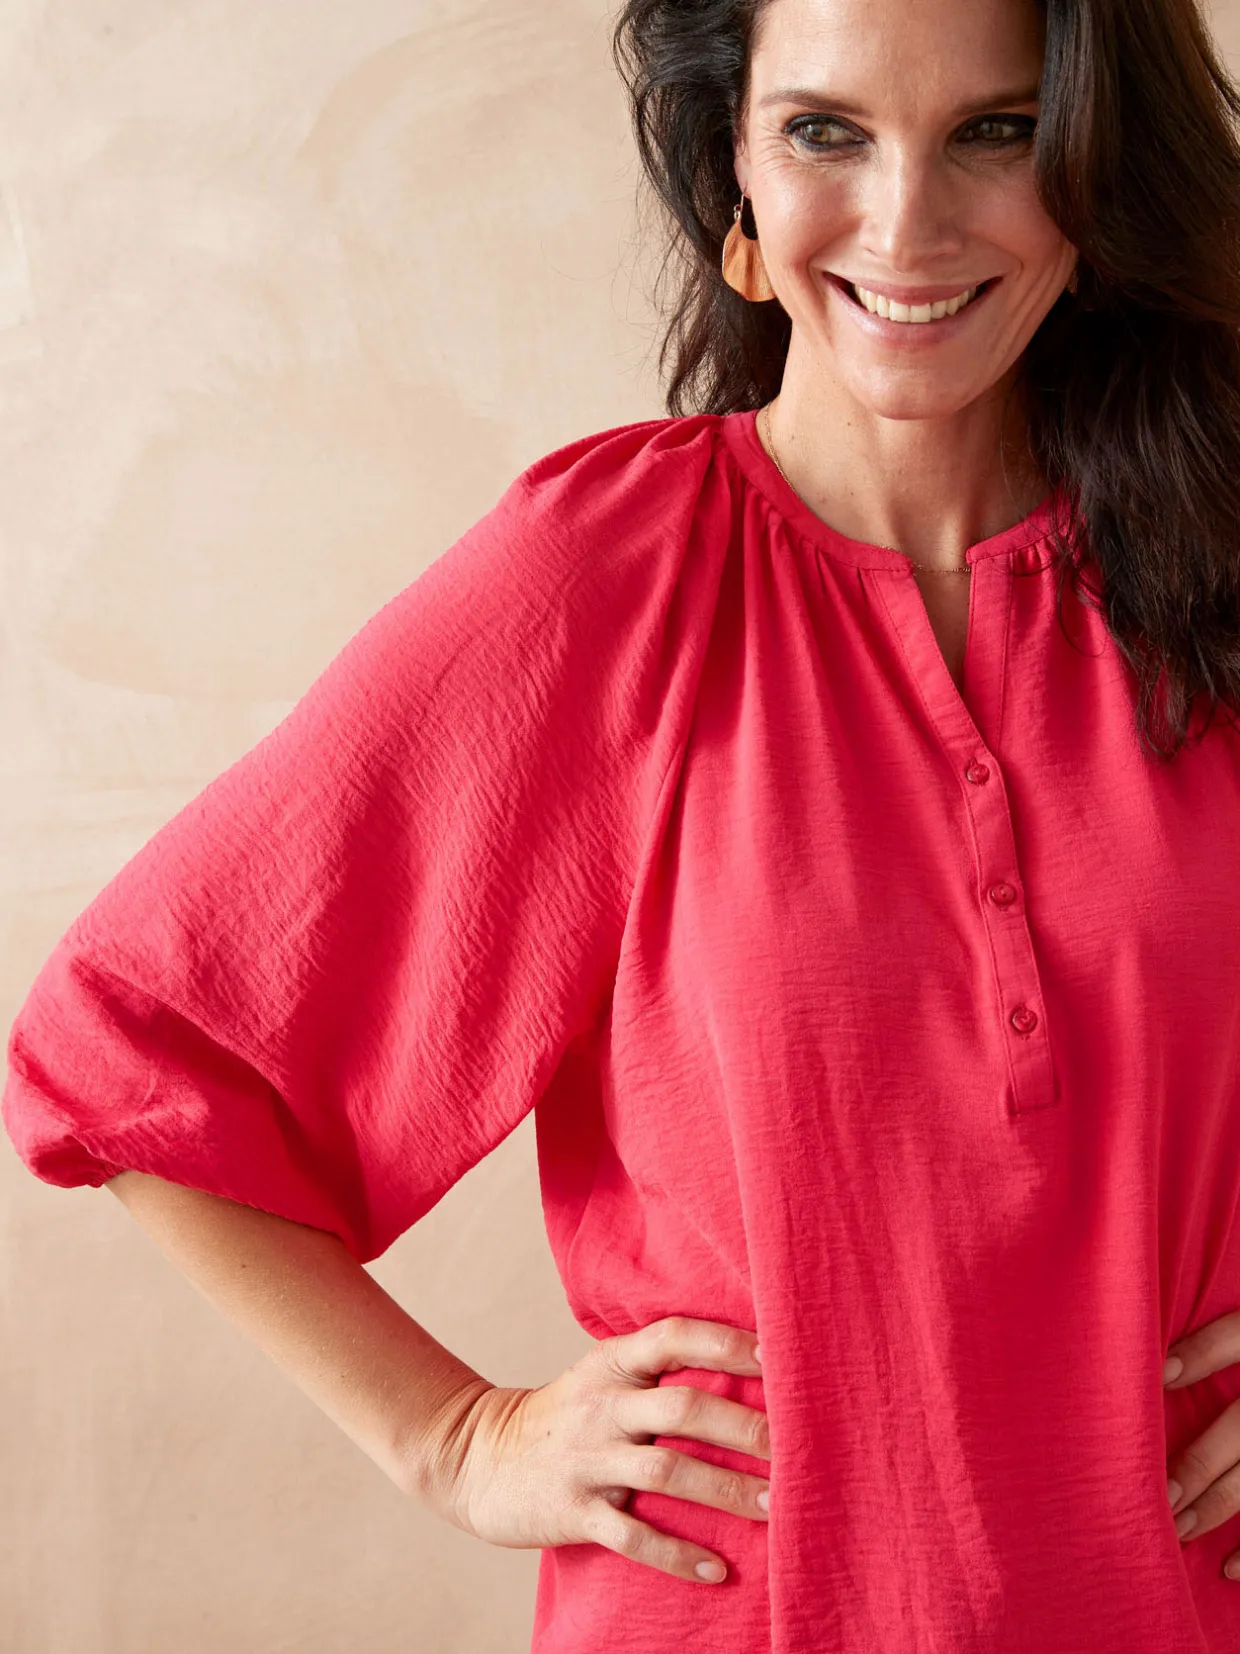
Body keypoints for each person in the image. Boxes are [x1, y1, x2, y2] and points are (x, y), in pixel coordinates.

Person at [6, 0, 1240, 1646]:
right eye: (826, 131)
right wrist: (455, 1438)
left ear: (1096, 168)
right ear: (735, 172)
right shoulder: (612, 583)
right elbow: (131, 1055)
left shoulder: (1216, 570)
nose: (905, 223)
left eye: (994, 133)